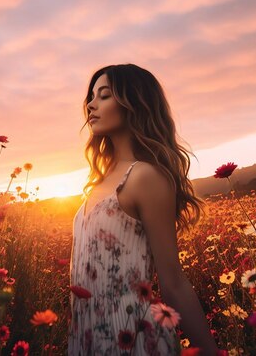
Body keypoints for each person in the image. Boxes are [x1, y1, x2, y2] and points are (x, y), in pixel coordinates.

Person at [69, 64, 222, 355]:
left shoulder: (144, 176)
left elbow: (173, 281)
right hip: (87, 339)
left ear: (134, 102)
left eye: (104, 95)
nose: (91, 104)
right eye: (91, 96)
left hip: (132, 338)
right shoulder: (100, 179)